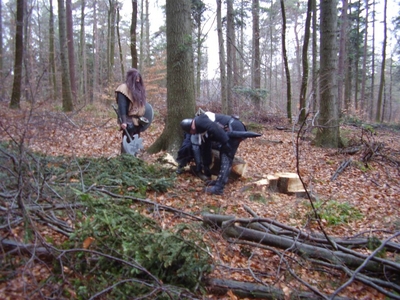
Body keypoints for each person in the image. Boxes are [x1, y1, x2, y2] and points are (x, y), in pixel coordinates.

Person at [180, 112, 247, 195]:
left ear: (192, 127)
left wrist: (226, 143)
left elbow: (215, 128)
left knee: (226, 156)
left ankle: (219, 188)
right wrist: (207, 169)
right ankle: (219, 181)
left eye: (192, 132)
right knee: (223, 153)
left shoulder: (200, 120)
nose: (193, 133)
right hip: (230, 129)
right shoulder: (201, 129)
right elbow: (205, 148)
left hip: (235, 127)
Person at [115, 68, 147, 153]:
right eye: (136, 78)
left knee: (136, 140)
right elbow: (122, 106)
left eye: (139, 78)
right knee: (128, 140)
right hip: (129, 119)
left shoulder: (139, 89)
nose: (138, 80)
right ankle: (126, 159)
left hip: (138, 120)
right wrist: (124, 121)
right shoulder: (123, 88)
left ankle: (134, 159)